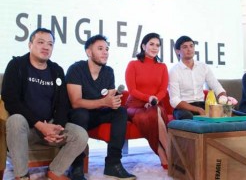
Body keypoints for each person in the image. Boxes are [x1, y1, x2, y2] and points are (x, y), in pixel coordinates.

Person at [1, 28, 88, 180]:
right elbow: (11, 100)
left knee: (80, 134)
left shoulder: (57, 70)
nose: (46, 47)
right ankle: (21, 176)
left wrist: (57, 128)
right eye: (40, 42)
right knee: (15, 120)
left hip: (51, 126)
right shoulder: (17, 65)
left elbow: (63, 104)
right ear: (30, 45)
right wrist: (41, 126)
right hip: (27, 129)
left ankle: (55, 171)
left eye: (50, 44)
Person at [66, 35, 136, 180]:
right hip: (78, 116)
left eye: (107, 49)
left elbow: (109, 99)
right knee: (81, 114)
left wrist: (113, 101)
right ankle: (76, 166)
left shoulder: (108, 71)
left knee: (120, 112)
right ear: (88, 52)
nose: (105, 52)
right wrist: (104, 102)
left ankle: (113, 163)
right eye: (100, 49)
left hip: (97, 113)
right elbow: (76, 102)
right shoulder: (76, 69)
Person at [125, 33, 169, 169]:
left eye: (157, 45)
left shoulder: (162, 67)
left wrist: (153, 100)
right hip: (135, 106)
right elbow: (132, 89)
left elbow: (163, 90)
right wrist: (147, 98)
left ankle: (166, 155)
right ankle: (168, 153)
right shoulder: (133, 64)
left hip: (155, 104)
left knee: (155, 111)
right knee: (150, 114)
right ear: (143, 46)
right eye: (151, 44)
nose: (155, 48)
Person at [168, 36, 236, 120]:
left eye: (191, 46)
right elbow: (174, 100)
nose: (189, 49)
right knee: (187, 117)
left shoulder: (203, 67)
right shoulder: (174, 71)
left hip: (202, 104)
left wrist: (223, 98)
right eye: (185, 47)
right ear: (177, 51)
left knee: (229, 114)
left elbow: (217, 87)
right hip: (184, 108)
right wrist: (197, 109)